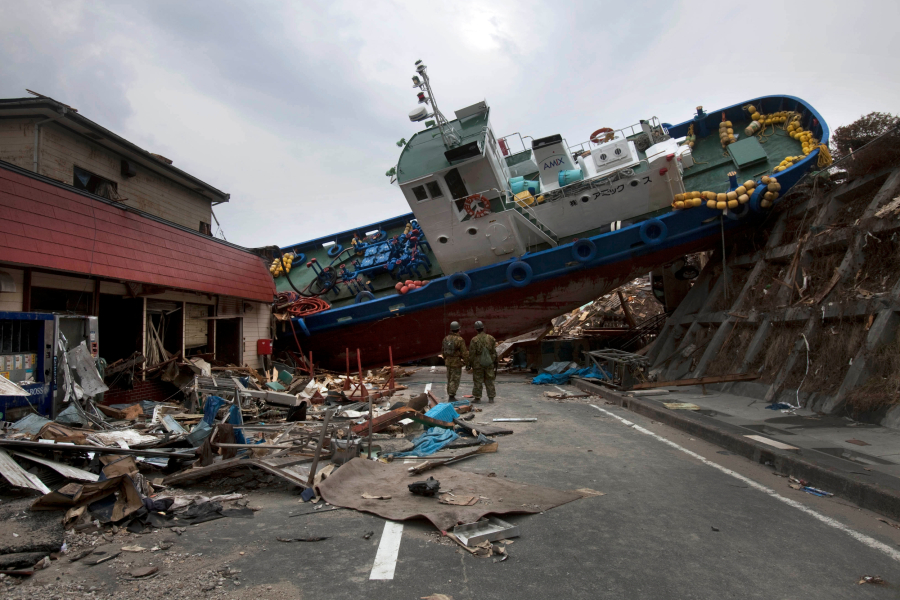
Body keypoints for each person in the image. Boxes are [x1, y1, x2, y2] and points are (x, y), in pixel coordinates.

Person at [467, 320, 498, 403]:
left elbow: (472, 353)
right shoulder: (491, 338)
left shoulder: (474, 340)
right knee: (490, 380)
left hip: (478, 363)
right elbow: (493, 351)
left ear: (476, 329)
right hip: (489, 362)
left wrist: (470, 364)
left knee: (478, 380)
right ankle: (491, 397)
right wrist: (494, 361)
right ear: (483, 328)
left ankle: (477, 398)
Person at [441, 321, 468, 401]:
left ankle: (450, 394)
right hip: (456, 362)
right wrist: (467, 362)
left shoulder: (446, 339)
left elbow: (443, 351)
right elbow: (464, 353)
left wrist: (446, 359)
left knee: (449, 379)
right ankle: (451, 396)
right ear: (458, 329)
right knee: (455, 379)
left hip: (448, 362)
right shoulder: (460, 340)